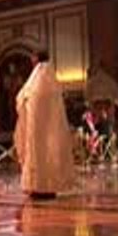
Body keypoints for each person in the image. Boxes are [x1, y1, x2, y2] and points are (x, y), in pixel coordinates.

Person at [13, 50, 75, 199]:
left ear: (36, 58)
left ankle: (37, 186)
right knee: (50, 153)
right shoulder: (51, 78)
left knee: (37, 154)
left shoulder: (37, 77)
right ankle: (50, 186)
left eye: (33, 58)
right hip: (51, 129)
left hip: (36, 128)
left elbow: (21, 98)